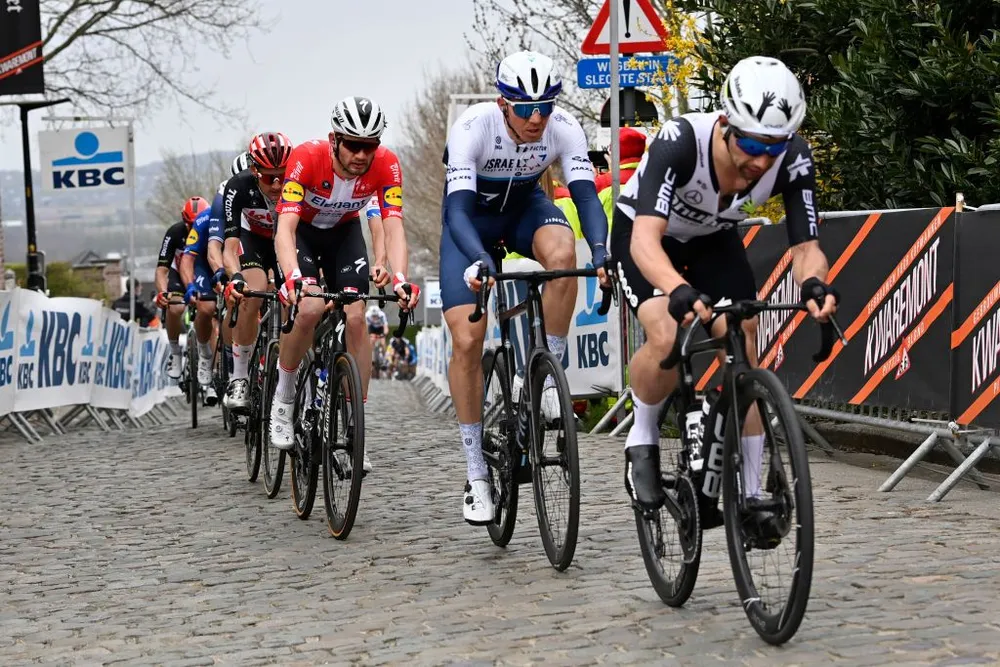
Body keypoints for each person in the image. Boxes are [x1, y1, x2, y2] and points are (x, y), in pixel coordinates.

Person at [608, 56, 839, 538]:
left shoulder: (793, 158)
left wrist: (815, 285)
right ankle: (643, 434)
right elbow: (645, 243)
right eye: (751, 142)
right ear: (726, 124)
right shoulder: (680, 142)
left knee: (743, 338)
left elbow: (807, 247)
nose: (760, 159)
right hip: (646, 235)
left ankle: (751, 491)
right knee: (669, 331)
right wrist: (677, 288)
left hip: (714, 237)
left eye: (772, 147)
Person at [440, 50, 609, 525]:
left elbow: (585, 196)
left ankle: (544, 372)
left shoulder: (564, 129)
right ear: (502, 103)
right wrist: (478, 259)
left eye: (546, 107)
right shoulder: (473, 128)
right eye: (525, 108)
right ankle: (476, 473)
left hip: (523, 211)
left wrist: (600, 251)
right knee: (468, 339)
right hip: (470, 224)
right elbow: (455, 213)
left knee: (563, 254)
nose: (537, 118)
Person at [271, 96, 421, 470]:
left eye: (369, 146)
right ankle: (284, 396)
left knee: (357, 318)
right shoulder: (307, 157)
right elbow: (285, 229)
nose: (361, 154)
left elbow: (392, 225)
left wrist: (400, 277)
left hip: (342, 235)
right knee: (308, 307)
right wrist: (292, 276)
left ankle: (355, 429)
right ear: (334, 139)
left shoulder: (386, 164)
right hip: (303, 234)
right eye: (353, 144)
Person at [220, 133, 293, 413]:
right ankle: (239, 377)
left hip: (287, 242)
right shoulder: (238, 187)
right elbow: (229, 246)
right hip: (254, 242)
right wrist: (235, 275)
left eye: (281, 176)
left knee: (296, 299)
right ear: (254, 171)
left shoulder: (299, 182)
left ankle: (293, 370)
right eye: (268, 178)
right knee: (252, 291)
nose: (276, 185)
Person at [156, 196, 211, 379]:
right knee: (175, 307)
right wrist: (163, 292)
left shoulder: (211, 229)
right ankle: (175, 352)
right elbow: (162, 269)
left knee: (211, 311)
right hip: (179, 273)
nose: (193, 228)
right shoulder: (175, 232)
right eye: (189, 224)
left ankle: (209, 358)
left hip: (204, 274)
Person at [179, 193, 226, 394]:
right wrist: (190, 286)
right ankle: (206, 354)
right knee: (206, 308)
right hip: (205, 265)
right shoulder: (204, 220)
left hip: (232, 262)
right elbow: (187, 259)